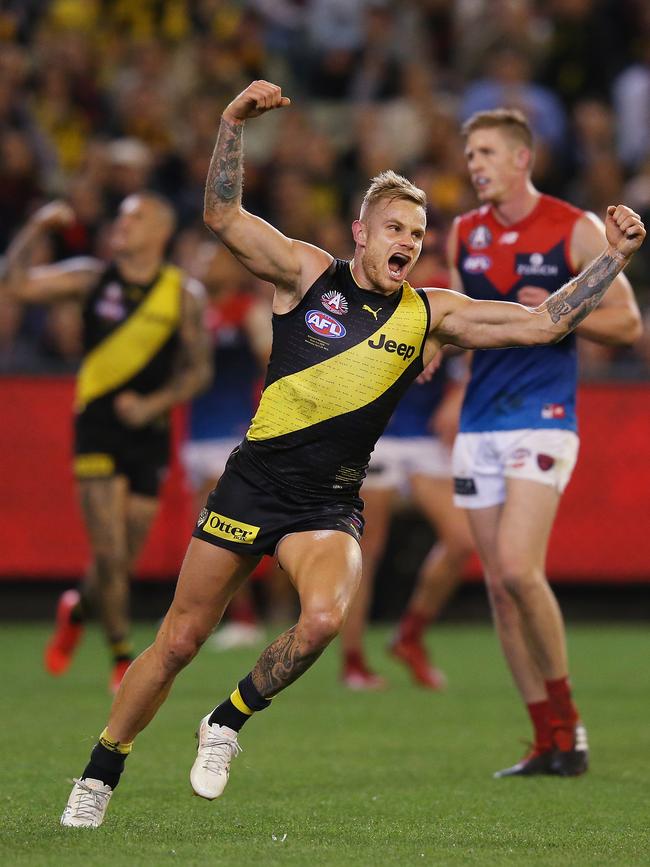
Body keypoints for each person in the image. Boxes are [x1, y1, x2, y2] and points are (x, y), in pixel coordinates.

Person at [58, 81, 644, 828]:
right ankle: (101, 770)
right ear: (362, 235)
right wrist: (231, 123)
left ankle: (227, 720)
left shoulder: (432, 311)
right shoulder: (305, 274)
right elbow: (221, 216)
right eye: (395, 227)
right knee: (177, 639)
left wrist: (614, 259)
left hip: (327, 504)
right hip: (251, 484)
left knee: (326, 619)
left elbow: (540, 324)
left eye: (418, 232)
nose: (408, 241)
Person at [448, 109, 643, 777]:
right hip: (478, 421)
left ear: (522, 159)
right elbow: (454, 320)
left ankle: (571, 727)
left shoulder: (573, 228)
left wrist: (565, 308)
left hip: (543, 414)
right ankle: (546, 740)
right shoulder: (463, 232)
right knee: (501, 591)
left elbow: (628, 323)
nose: (475, 164)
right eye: (470, 154)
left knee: (517, 569)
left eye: (486, 153)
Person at [5, 192, 211, 693]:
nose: (123, 224)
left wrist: (154, 404)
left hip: (150, 431)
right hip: (96, 424)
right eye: (121, 215)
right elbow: (16, 284)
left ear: (160, 232)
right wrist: (36, 227)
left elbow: (198, 370)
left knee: (121, 556)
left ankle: (76, 608)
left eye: (136, 216)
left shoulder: (183, 293)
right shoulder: (92, 277)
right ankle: (122, 656)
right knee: (110, 549)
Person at [340, 358, 473, 690]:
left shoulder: (444, 305)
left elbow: (473, 342)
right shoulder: (363, 305)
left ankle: (409, 635)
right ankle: (353, 660)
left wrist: (458, 393)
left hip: (425, 436)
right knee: (365, 552)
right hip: (374, 434)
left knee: (461, 541)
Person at [181, 242, 274, 649]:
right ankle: (234, 616)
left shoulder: (248, 310)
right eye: (200, 258)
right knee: (203, 531)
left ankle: (247, 616)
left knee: (220, 527)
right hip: (196, 434)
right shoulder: (189, 313)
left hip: (232, 432)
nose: (205, 264)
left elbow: (272, 362)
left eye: (212, 257)